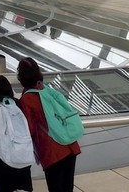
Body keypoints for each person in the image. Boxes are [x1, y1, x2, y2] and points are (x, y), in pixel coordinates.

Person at [15, 57, 80, 192]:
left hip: (52, 152)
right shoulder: (45, 89)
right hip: (69, 145)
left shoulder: (27, 99)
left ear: (22, 77)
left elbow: (30, 129)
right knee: (67, 188)